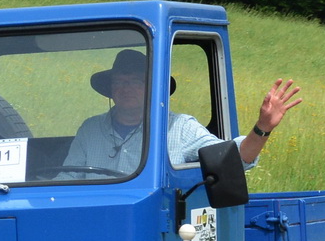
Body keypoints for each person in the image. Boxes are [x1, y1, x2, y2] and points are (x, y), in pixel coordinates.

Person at [59, 48, 300, 177]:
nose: (125, 88)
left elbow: (233, 160)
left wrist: (262, 128)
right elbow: (67, 180)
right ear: (110, 89)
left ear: (152, 89)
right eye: (119, 82)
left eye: (134, 81)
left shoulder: (180, 127)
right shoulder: (90, 129)